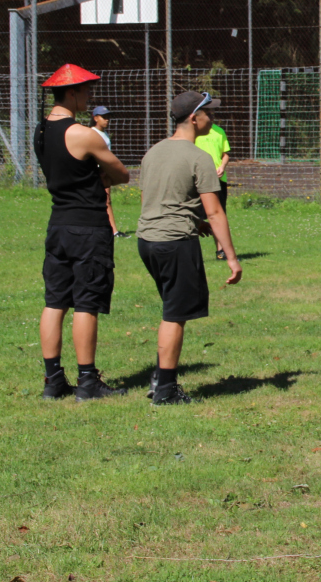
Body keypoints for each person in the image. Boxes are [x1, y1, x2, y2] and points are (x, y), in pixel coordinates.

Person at [138, 91, 243, 405]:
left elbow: (157, 200)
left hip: (148, 241)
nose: (213, 118)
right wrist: (232, 258)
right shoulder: (199, 157)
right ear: (194, 118)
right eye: (209, 113)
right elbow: (215, 211)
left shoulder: (153, 152)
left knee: (172, 309)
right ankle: (165, 390)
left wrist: (195, 222)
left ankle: (160, 377)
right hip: (175, 242)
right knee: (175, 314)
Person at [33, 65, 130, 401]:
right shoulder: (83, 134)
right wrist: (99, 176)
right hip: (88, 227)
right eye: (86, 91)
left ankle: (53, 380)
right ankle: (88, 381)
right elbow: (121, 174)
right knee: (86, 302)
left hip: (58, 225)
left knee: (55, 301)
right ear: (71, 93)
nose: (90, 97)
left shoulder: (40, 131)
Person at [195, 117, 233, 261]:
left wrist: (222, 167)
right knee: (194, 216)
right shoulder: (195, 132)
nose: (210, 116)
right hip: (198, 180)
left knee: (218, 216)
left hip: (218, 181)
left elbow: (225, 154)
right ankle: (192, 253)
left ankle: (221, 252)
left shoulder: (219, 131)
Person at [89, 106, 128, 238]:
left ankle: (113, 231)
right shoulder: (92, 133)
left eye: (108, 117)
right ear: (95, 118)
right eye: (103, 117)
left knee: (107, 200)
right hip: (96, 173)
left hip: (104, 172)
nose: (107, 120)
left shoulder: (104, 134)